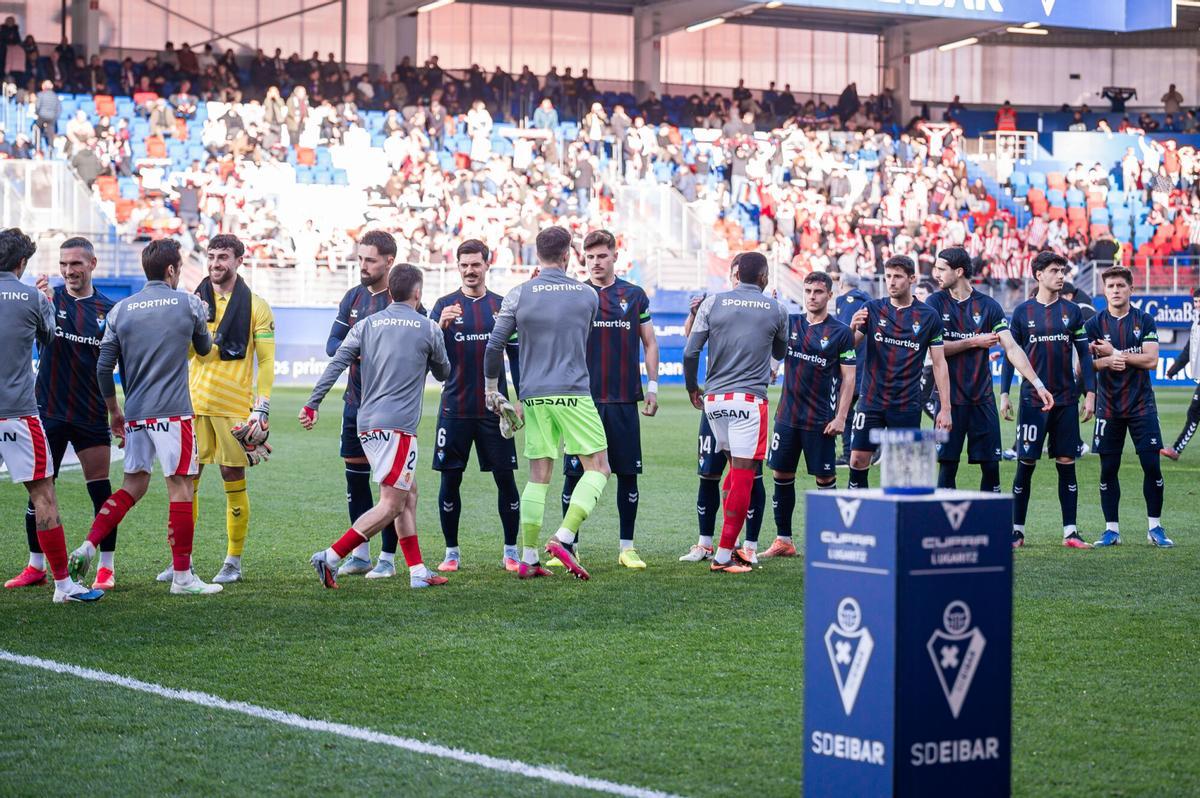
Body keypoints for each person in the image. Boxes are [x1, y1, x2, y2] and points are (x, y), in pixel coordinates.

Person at [68, 238, 221, 595]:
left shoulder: (121, 309)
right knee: (181, 488)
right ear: (171, 270)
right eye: (180, 268)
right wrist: (201, 324)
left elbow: (104, 369)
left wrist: (115, 412)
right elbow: (203, 349)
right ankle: (182, 577)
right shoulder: (187, 303)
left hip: (136, 414)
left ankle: (89, 545)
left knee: (132, 487)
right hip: (173, 413)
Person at [303, 264, 450, 590]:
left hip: (366, 422)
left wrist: (312, 403)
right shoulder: (428, 328)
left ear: (390, 291)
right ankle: (330, 555)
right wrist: (436, 344)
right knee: (392, 503)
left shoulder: (367, 324)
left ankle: (417, 571)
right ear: (417, 293)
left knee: (408, 494)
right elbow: (444, 373)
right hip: (398, 427)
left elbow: (337, 362)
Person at [483, 226, 610, 581]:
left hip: (533, 394)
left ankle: (527, 558)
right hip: (572, 391)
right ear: (569, 254)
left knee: (538, 476)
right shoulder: (587, 295)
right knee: (598, 468)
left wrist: (492, 391)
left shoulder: (519, 294)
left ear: (536, 255)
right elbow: (585, 329)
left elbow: (494, 346)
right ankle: (564, 537)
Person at [6, 238, 117, 592]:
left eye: (76, 264)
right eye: (64, 264)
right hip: (47, 409)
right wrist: (45, 304)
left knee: (100, 489)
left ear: (92, 264)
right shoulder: (45, 298)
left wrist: (116, 409)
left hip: (90, 411)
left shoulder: (108, 310)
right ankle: (35, 565)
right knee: (38, 489)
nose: (69, 271)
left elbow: (117, 362)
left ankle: (106, 566)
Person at [166, 234, 275, 586]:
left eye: (223, 257)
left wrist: (262, 409)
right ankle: (182, 560)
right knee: (187, 481)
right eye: (211, 256)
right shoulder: (191, 303)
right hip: (194, 404)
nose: (215, 263)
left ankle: (233, 560)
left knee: (232, 478)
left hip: (233, 409)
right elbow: (181, 354)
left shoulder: (256, 306)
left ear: (239, 260)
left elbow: (267, 361)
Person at [558, 230, 658, 569]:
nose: (596, 262)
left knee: (627, 474)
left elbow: (650, 343)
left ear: (615, 256)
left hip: (622, 398)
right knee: (573, 474)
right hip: (582, 401)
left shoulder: (634, 294)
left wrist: (654, 387)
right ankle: (569, 546)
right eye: (590, 257)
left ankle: (627, 547)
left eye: (602, 256)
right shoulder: (575, 294)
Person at [683, 251, 788, 573]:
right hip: (749, 401)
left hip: (714, 401)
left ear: (737, 273)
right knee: (744, 474)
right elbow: (780, 353)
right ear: (764, 277)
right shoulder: (777, 309)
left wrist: (692, 388)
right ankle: (725, 554)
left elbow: (690, 351)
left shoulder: (713, 303)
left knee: (731, 470)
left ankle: (722, 545)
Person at [428, 240, 523, 574]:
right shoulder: (442, 306)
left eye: (476, 264)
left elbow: (516, 358)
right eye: (464, 265)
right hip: (454, 408)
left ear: (487, 265)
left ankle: (511, 551)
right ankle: (451, 552)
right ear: (458, 267)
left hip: (495, 411)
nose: (470, 270)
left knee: (506, 480)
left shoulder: (501, 306)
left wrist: (520, 399)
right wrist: (438, 328)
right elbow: (428, 359)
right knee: (450, 481)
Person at [926, 248, 1053, 492]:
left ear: (959, 271)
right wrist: (973, 341)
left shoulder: (988, 306)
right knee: (947, 466)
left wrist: (1038, 384)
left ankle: (989, 526)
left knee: (991, 467)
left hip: (981, 400)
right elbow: (935, 350)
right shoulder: (934, 303)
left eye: (941, 269)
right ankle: (943, 526)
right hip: (947, 400)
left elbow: (1012, 348)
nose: (936, 274)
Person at [1000, 251, 1096, 549]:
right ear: (1039, 274)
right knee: (1026, 462)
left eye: (1062, 270)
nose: (1061, 275)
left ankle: (1070, 532)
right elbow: (1010, 356)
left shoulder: (1073, 312)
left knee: (1066, 462)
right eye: (1055, 270)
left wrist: (1090, 393)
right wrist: (1004, 393)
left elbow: (1085, 356)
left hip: (1066, 399)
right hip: (1032, 400)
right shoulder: (1022, 312)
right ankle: (1017, 532)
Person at [759, 271, 856, 559]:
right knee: (781, 474)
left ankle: (829, 542)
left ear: (830, 295)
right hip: (787, 416)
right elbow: (772, 348)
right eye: (808, 291)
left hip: (820, 420)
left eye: (818, 292)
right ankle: (783, 540)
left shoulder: (840, 332)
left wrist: (840, 417)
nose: (812, 297)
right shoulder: (791, 322)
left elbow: (849, 380)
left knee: (825, 480)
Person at [325, 230, 403, 577]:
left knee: (390, 486)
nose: (363, 266)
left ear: (389, 261)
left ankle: (387, 558)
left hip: (389, 408)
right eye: (360, 259)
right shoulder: (354, 297)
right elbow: (332, 345)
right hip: (355, 404)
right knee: (356, 482)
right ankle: (360, 555)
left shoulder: (401, 297)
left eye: (370, 260)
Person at [847, 256, 952, 489]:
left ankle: (900, 523)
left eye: (898, 276)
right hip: (871, 400)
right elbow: (850, 345)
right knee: (857, 459)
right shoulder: (872, 309)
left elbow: (939, 363)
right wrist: (851, 328)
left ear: (912, 279)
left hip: (906, 404)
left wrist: (945, 408)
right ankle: (859, 518)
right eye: (888, 277)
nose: (891, 282)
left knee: (904, 469)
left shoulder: (928, 316)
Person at [1086, 267, 1172, 548]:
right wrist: (1106, 362)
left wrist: (1115, 353)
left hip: (1141, 405)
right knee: (1108, 469)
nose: (1115, 290)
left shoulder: (1143, 320)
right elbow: (1082, 367)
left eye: (1121, 285)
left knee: (1152, 466)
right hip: (1108, 407)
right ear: (1104, 290)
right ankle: (1111, 530)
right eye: (1110, 286)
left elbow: (1151, 360)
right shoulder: (1094, 324)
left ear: (1131, 289)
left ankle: (1155, 528)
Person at [833, 271, 872, 465]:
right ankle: (868, 444)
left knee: (844, 409)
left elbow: (844, 334)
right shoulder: (868, 302)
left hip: (852, 364)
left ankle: (849, 451)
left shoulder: (845, 302)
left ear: (841, 283)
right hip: (867, 365)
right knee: (852, 409)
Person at [1161, 288, 1200, 460]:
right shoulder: (1196, 321)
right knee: (1194, 413)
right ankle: (1176, 449)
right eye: (1196, 302)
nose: (1197, 305)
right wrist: (1175, 368)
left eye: (1199, 302)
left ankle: (1176, 449)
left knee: (1194, 412)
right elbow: (1189, 348)